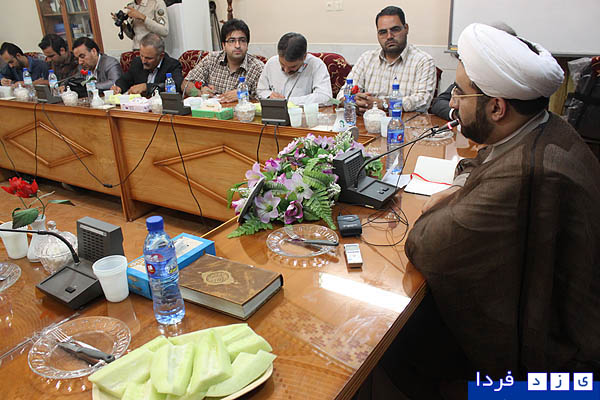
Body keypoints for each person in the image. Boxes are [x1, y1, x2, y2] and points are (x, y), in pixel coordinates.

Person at [357, 23, 600, 400]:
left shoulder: (525, 175)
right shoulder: (546, 127)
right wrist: (458, 186)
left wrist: (446, 201)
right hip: (561, 333)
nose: (452, 102)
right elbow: (485, 158)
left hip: (555, 378)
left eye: (459, 92)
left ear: (497, 107)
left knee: (383, 337)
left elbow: (425, 244)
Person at [337, 6, 436, 113]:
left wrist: (384, 104)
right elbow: (342, 94)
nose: (389, 36)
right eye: (383, 32)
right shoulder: (366, 59)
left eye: (395, 30)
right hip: (368, 120)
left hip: (405, 122)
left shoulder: (423, 61)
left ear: (406, 28)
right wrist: (354, 102)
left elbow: (423, 101)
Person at [430, 23, 517, 121]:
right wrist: (458, 114)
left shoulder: (509, 86)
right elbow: (439, 102)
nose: (452, 104)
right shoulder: (471, 72)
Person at [182, 18, 263, 102]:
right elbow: (185, 84)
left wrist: (245, 95)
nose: (237, 45)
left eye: (242, 40)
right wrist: (201, 93)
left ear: (247, 44)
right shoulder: (211, 59)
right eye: (232, 41)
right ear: (223, 45)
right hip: (212, 109)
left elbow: (266, 100)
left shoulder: (257, 68)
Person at [256, 32, 332, 105]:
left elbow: (325, 97)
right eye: (282, 64)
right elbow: (261, 90)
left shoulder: (316, 65)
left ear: (304, 57)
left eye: (293, 67)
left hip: (303, 112)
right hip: (275, 111)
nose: (286, 70)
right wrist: (269, 95)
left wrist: (289, 101)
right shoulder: (272, 62)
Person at [112, 33, 182, 95]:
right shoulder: (137, 62)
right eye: (141, 56)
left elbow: (177, 86)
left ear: (161, 56)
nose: (143, 61)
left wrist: (146, 87)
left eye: (148, 58)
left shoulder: (172, 65)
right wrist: (119, 87)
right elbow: (125, 80)